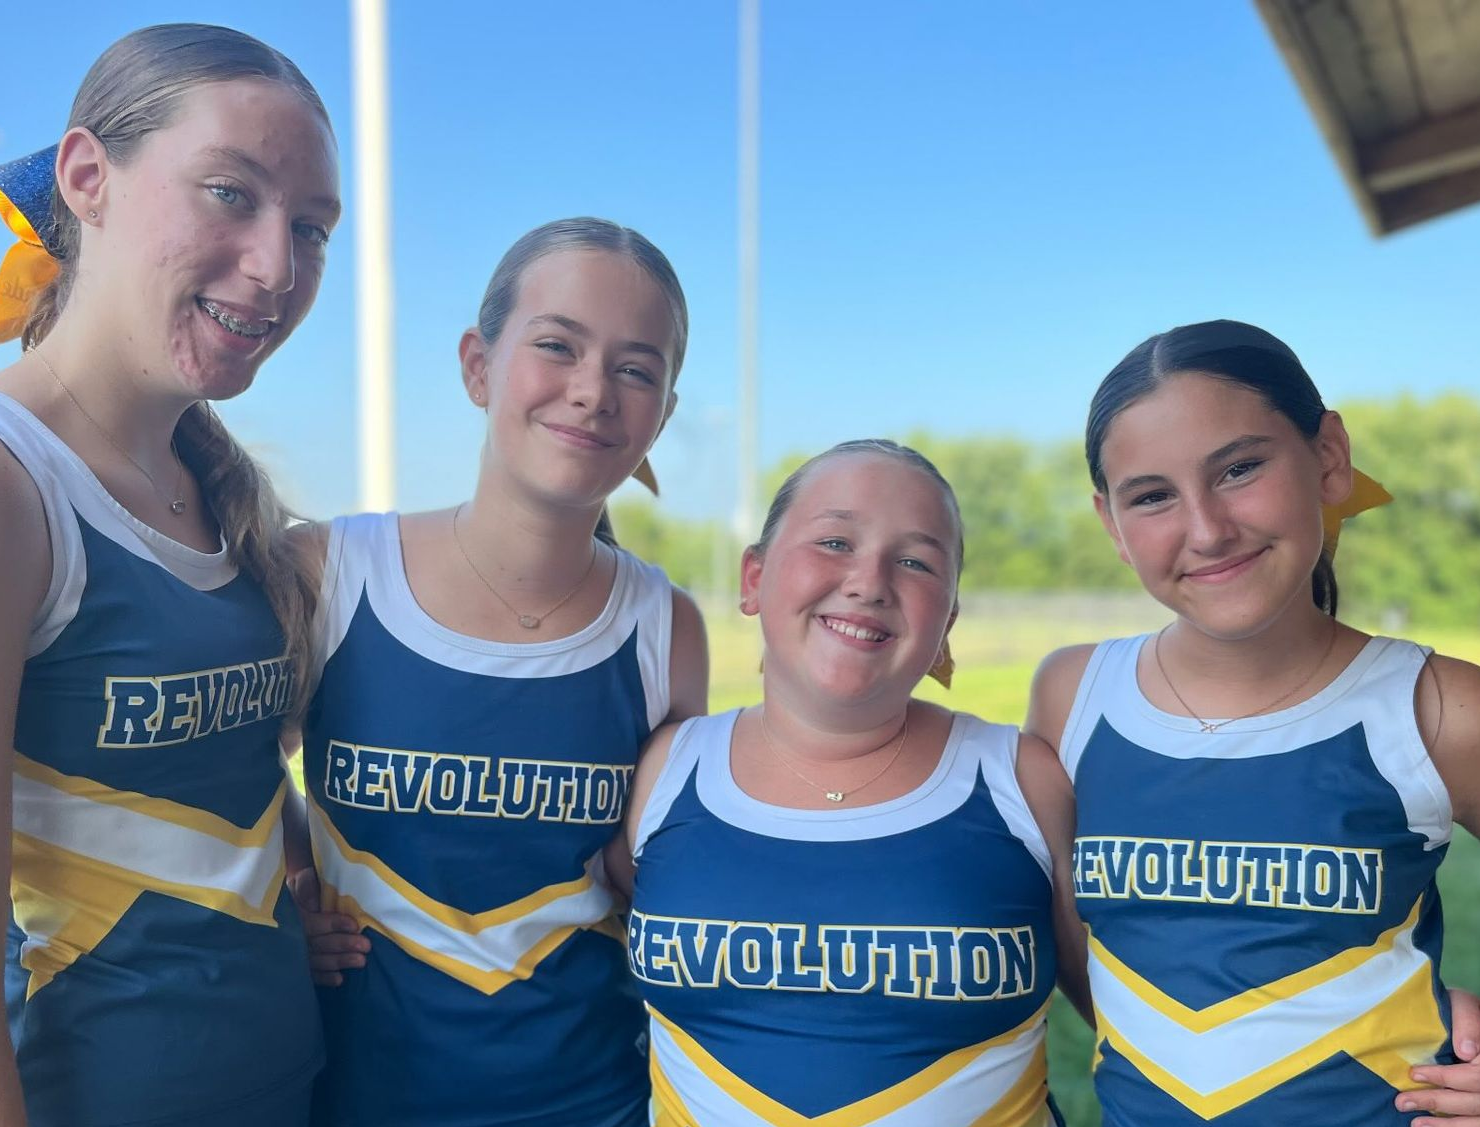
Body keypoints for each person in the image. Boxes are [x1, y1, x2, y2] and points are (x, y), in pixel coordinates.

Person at [292, 217, 709, 1127]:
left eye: (637, 369)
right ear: (478, 364)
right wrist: (289, 885)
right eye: (558, 346)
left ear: (664, 411)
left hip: (590, 1100)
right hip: (356, 1097)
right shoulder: (331, 571)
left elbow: (657, 872)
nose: (594, 391)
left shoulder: (664, 625)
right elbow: (224, 773)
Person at [0, 23, 340, 1127]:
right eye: (230, 194)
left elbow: (209, 773)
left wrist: (297, 867)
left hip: (283, 1082)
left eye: (310, 228)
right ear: (87, 177)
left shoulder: (218, 485)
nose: (278, 268)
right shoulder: (19, 486)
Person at [1026, 319, 1480, 1125]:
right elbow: (1076, 937)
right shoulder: (1074, 693)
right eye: (1153, 495)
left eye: (1239, 468)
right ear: (1113, 526)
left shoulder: (1434, 705)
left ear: (1329, 457)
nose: (1206, 529)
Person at [612, 439, 1087, 1127]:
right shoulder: (664, 770)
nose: (870, 581)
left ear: (948, 618)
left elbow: (1126, 1026)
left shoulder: (1020, 779)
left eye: (917, 561)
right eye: (835, 540)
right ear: (753, 578)